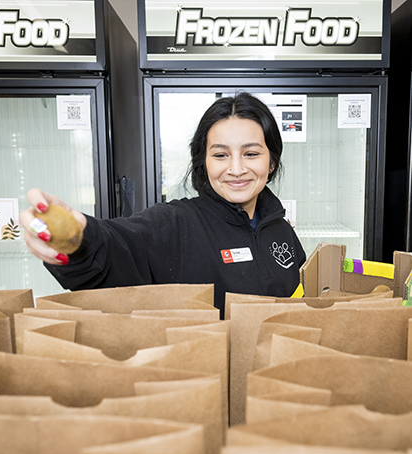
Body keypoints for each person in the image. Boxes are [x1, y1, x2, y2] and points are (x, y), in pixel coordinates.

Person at [20, 92, 306, 318]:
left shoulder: (278, 226)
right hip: (205, 383)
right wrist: (81, 240)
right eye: (220, 155)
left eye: (251, 153)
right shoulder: (176, 223)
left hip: (279, 378)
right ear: (203, 163)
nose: (236, 168)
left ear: (271, 163)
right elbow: (116, 247)